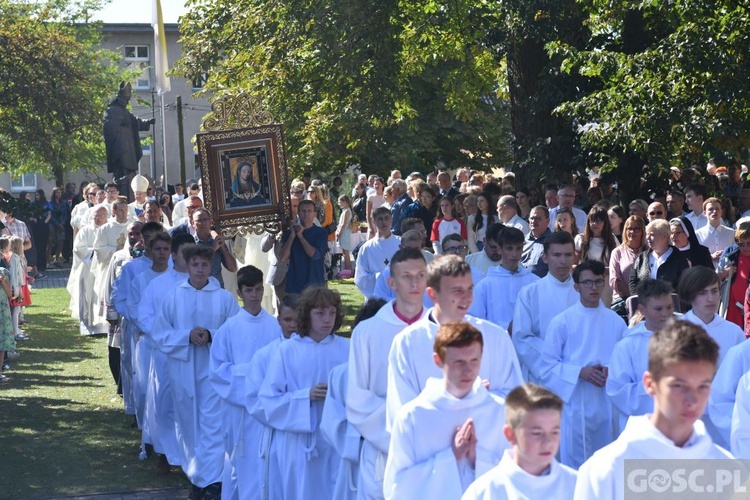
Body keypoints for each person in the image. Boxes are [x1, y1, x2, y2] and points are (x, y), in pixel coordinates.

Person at [574, 320, 731, 500]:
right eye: (679, 385)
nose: (692, 400)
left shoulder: (725, 468)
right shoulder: (606, 469)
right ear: (650, 384)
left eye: (703, 386)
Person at [386, 255, 523, 430]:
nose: (467, 298)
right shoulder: (407, 342)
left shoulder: (495, 337)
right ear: (432, 294)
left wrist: (478, 398)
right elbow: (402, 413)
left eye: (470, 289)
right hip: (431, 449)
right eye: (457, 291)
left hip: (486, 449)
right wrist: (464, 397)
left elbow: (514, 400)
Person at [151, 245, 240, 499]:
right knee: (188, 425)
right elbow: (160, 332)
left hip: (213, 371)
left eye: (204, 265)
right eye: (195, 265)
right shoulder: (174, 296)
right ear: (186, 266)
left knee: (213, 423)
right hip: (184, 369)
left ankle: (212, 480)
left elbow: (235, 330)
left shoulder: (223, 297)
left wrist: (212, 335)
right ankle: (195, 477)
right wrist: (186, 336)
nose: (200, 270)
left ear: (209, 266)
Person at [384, 322, 510, 499]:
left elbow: (519, 478)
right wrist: (450, 457)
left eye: (474, 361)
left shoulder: (500, 411)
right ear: (438, 360)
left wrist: (478, 459)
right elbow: (396, 488)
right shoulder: (413, 416)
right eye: (459, 362)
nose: (468, 370)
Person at [348, 247, 428, 499]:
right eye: (407, 276)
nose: (415, 283)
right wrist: (403, 432)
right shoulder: (368, 332)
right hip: (385, 450)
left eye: (421, 275)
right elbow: (358, 399)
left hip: (433, 452)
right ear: (391, 282)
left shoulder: (442, 330)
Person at [258, 287, 349, 500]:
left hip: (336, 440)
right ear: (306, 314)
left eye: (332, 313)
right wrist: (304, 396)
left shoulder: (347, 349)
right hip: (299, 444)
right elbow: (268, 400)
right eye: (320, 313)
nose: (327, 319)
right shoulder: (288, 350)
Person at [538, 260, 626, 468]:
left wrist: (610, 370)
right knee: (578, 465)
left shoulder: (616, 322)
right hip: (577, 403)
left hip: (607, 404)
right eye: (587, 283)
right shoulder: (562, 322)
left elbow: (626, 363)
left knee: (608, 464)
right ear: (576, 286)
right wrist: (579, 372)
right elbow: (546, 367)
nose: (593, 288)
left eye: (598, 282)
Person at [209, 265, 282, 499]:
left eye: (259, 290)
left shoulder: (275, 326)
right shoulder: (228, 329)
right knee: (238, 463)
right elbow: (219, 372)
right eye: (249, 290)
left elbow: (282, 366)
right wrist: (253, 377)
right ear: (239, 293)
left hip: (267, 409)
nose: (255, 295)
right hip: (238, 411)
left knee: (265, 463)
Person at [461, 383, 577, 500]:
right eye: (537, 433)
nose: (547, 442)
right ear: (510, 434)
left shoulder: (577, 485)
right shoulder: (485, 492)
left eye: (554, 432)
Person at [607, 279, 675, 433]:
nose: (666, 314)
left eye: (669, 307)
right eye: (658, 309)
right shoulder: (627, 345)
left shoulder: (685, 338)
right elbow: (617, 391)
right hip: (642, 429)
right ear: (642, 309)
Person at [512, 231, 579, 383]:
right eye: (557, 255)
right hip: (542, 377)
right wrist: (556, 360)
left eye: (568, 255)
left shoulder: (584, 291)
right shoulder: (530, 293)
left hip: (579, 374)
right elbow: (522, 337)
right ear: (545, 258)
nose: (563, 261)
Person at [128, 231, 172, 455]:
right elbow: (136, 312)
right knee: (146, 391)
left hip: (172, 345)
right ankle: (148, 439)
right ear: (150, 251)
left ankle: (169, 443)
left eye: (166, 249)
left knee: (167, 394)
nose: (162, 253)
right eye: (158, 249)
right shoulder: (141, 280)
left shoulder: (177, 279)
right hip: (148, 342)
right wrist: (157, 332)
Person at [469, 227, 538, 331]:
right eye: (509, 248)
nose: (514, 254)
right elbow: (476, 321)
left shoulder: (534, 282)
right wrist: (505, 327)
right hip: (497, 344)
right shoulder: (485, 285)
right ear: (500, 249)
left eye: (518, 248)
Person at [677, 266, 744, 366]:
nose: (710, 299)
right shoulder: (674, 331)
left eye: (714, 291)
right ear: (689, 294)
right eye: (702, 293)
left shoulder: (734, 332)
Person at [102, 82, 155, 194]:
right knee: (122, 172)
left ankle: (129, 183)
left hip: (129, 148)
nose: (126, 102)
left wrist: (147, 122)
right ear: (120, 98)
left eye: (128, 100)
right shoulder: (111, 110)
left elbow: (135, 122)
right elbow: (108, 127)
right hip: (119, 148)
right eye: (125, 100)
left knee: (130, 172)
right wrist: (120, 123)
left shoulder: (125, 112)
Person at [280, 199, 329, 294]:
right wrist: (292, 236)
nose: (306, 214)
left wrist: (301, 236)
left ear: (315, 213)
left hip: (315, 284)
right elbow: (282, 258)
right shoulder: (290, 233)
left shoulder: (321, 233)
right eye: (303, 211)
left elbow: (315, 255)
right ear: (298, 213)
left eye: (309, 211)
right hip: (295, 285)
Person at [629, 219, 689, 294]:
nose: (647, 238)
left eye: (651, 234)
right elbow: (633, 282)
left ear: (665, 236)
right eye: (647, 234)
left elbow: (684, 286)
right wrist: (640, 300)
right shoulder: (641, 258)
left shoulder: (679, 258)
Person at [354, 207, 401, 299]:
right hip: (376, 297)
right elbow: (360, 277)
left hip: (399, 295)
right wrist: (380, 277)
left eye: (386, 218)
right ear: (374, 222)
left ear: (391, 219)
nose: (384, 222)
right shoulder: (366, 248)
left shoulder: (401, 243)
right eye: (380, 219)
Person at [191, 207, 238, 288]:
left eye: (205, 219)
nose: (203, 223)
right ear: (193, 223)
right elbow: (197, 267)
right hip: (199, 290)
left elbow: (233, 268)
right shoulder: (190, 243)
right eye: (199, 220)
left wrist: (222, 247)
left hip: (218, 289)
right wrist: (213, 249)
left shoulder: (216, 241)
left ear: (210, 222)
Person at [609, 215, 646, 308]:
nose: (632, 232)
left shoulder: (649, 251)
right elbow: (614, 280)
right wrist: (633, 297)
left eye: (636, 229)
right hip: (623, 301)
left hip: (647, 300)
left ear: (642, 231)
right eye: (629, 229)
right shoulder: (617, 252)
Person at [696, 197, 734, 267]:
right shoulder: (697, 234)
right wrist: (710, 257)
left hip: (727, 274)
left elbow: (736, 253)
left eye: (717, 209)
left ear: (721, 212)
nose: (714, 211)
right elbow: (695, 257)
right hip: (706, 274)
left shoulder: (731, 233)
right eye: (710, 209)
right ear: (704, 213)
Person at [520, 206, 552, 277]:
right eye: (531, 218)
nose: (533, 221)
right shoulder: (522, 240)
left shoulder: (553, 242)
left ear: (547, 221)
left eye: (538, 219)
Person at [0, 268, 13, 383]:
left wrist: (3, 281)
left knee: (2, 342)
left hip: (2, 312)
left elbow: (10, 293)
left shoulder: (3, 272)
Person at [336, 195, 354, 277]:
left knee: (346, 252)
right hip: (344, 232)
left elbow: (343, 224)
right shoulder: (345, 210)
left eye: (340, 202)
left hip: (344, 233)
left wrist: (339, 233)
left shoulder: (347, 211)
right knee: (344, 252)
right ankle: (347, 269)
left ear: (345, 202)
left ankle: (348, 269)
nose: (339, 204)